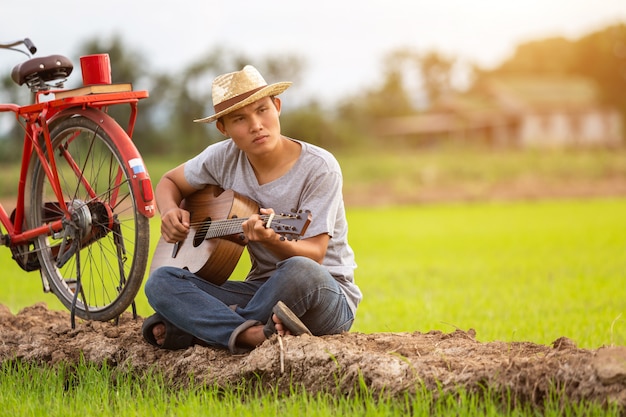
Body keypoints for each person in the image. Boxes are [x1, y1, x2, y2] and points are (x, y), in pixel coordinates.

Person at [141, 65, 362, 354]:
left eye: (262, 110)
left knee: (300, 270)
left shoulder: (320, 167)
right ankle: (251, 333)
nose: (256, 124)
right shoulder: (222, 158)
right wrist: (169, 211)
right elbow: (170, 181)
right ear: (223, 128)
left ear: (277, 106)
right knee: (161, 281)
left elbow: (315, 254)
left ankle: (198, 327)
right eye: (239, 119)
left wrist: (272, 240)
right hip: (259, 293)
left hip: (324, 294)